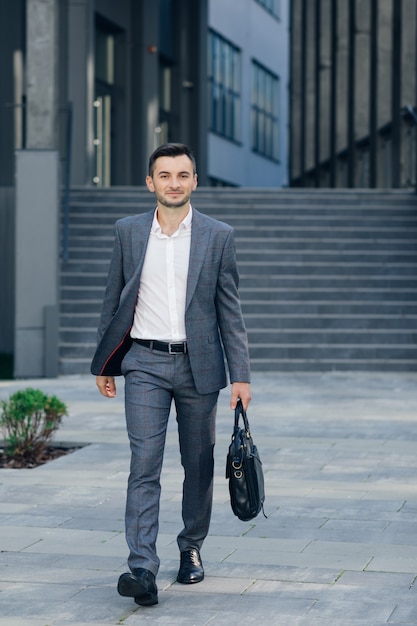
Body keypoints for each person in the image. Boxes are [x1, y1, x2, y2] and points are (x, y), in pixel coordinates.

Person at [91, 142, 251, 607]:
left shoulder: (218, 236)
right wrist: (106, 364)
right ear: (150, 182)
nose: (174, 183)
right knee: (144, 464)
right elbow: (112, 299)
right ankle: (141, 566)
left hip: (200, 366)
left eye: (183, 175)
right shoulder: (128, 231)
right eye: (165, 175)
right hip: (144, 363)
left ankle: (191, 548)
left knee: (198, 466)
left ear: (195, 182)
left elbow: (230, 311)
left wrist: (240, 374)